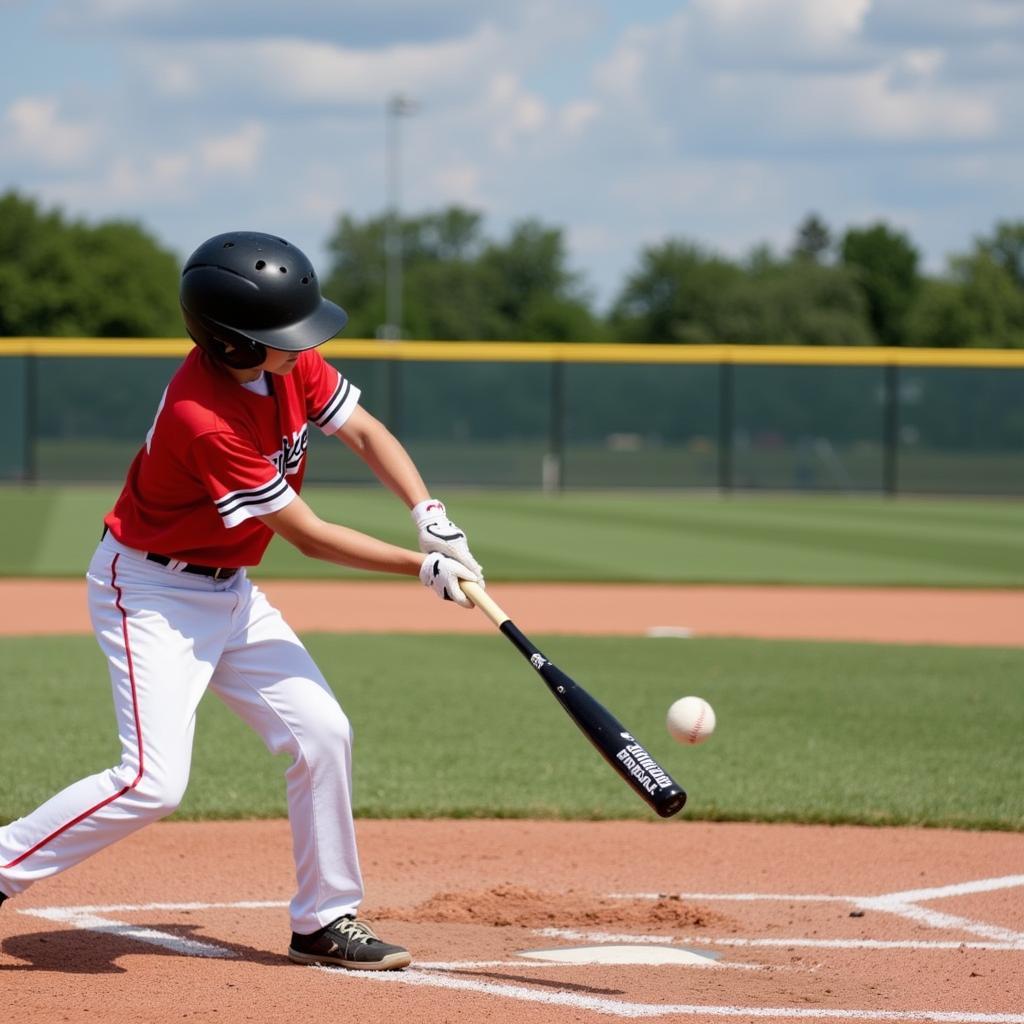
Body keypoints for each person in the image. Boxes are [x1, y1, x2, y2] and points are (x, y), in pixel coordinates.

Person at [0, 231, 484, 971]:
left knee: (323, 732)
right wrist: (421, 569)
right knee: (151, 783)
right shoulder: (206, 415)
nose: (301, 347)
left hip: (230, 590)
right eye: (281, 336)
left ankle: (322, 920)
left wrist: (429, 512)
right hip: (152, 593)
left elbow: (361, 429)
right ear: (229, 345)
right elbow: (309, 537)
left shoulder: (287, 360)